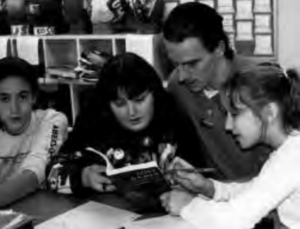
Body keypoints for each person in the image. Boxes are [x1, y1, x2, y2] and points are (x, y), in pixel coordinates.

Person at [160, 64, 300, 229]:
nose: (227, 125)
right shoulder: (290, 150)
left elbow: (235, 220)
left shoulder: (291, 157)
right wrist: (208, 187)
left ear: (269, 112)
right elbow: (254, 192)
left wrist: (188, 206)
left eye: (235, 114)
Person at [54, 52, 190, 211]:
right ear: (107, 104)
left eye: (140, 100)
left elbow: (200, 175)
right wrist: (82, 177)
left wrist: (184, 189)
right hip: (104, 217)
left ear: (154, 94)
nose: (132, 112)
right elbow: (52, 172)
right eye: (120, 104)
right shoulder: (93, 119)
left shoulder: (173, 117)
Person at [162, 2, 270, 180]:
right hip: (216, 195)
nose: (182, 76)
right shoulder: (177, 86)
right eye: (176, 64)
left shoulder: (262, 80)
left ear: (219, 49)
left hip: (268, 197)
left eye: (192, 64)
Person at [0, 57, 68, 206]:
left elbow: (38, 167)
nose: (14, 109)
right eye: (4, 98)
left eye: (22, 97)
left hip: (45, 211)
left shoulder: (53, 121)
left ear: (34, 97)